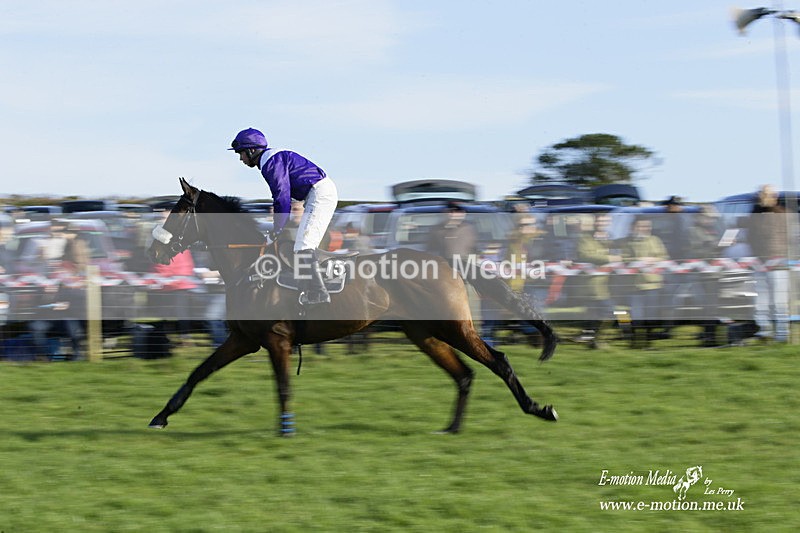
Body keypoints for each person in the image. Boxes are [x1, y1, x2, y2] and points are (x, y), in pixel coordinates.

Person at [229, 127, 338, 305]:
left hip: (319, 193)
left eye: (241, 153)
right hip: (317, 193)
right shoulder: (270, 159)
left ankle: (319, 293)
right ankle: (307, 289)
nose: (241, 158)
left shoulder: (269, 162)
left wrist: (278, 228)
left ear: (251, 150)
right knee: (301, 247)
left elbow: (281, 196)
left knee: (304, 247)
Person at [746, 184, 790, 343]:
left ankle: (782, 334)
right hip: (760, 263)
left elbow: (788, 238)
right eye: (761, 195)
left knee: (779, 301)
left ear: (774, 197)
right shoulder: (754, 214)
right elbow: (751, 237)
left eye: (766, 195)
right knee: (760, 301)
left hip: (778, 264)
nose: (762, 198)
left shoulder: (782, 214)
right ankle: (764, 331)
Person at [622, 217, 669, 348]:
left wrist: (654, 260)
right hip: (634, 286)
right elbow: (623, 258)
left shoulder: (655, 240)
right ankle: (633, 340)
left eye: (647, 226)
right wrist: (639, 260)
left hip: (653, 284)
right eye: (641, 226)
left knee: (651, 315)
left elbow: (664, 256)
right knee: (635, 315)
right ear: (633, 227)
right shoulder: (626, 242)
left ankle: (648, 342)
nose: (645, 229)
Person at [575, 214, 620, 349]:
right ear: (594, 222)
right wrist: (609, 258)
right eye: (599, 221)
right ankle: (596, 339)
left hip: (612, 282)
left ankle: (593, 338)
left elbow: (620, 254)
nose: (602, 223)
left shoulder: (611, 238)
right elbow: (585, 255)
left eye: (605, 221)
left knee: (600, 312)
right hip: (594, 283)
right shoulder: (584, 238)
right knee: (607, 311)